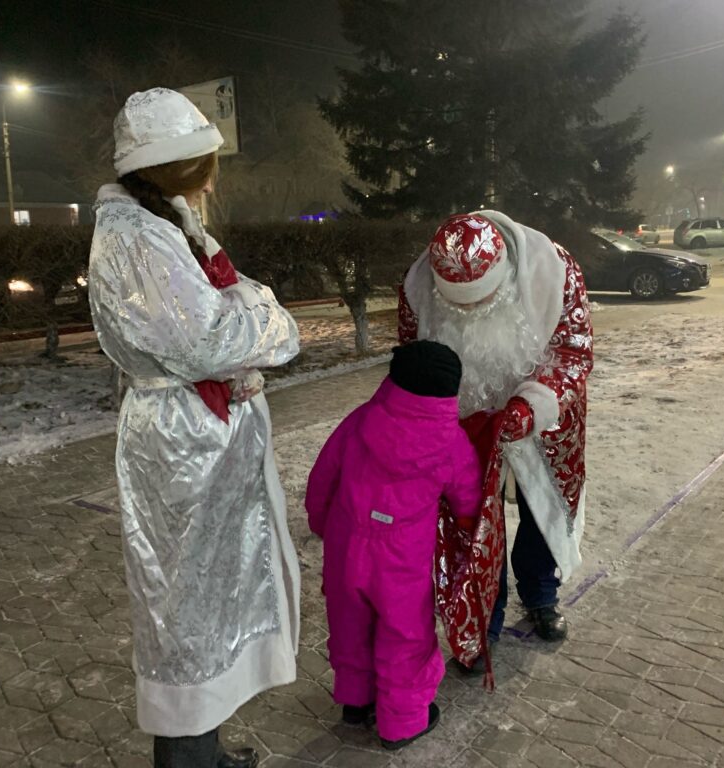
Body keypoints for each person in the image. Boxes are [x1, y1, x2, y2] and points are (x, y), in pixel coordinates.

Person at [88, 88, 301, 768]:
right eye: (202, 161)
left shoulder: (164, 221)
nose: (212, 174)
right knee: (185, 609)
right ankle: (186, 759)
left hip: (200, 435)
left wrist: (240, 312)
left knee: (210, 599)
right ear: (170, 165)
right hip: (184, 442)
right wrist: (267, 311)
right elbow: (206, 339)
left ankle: (200, 750)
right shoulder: (139, 239)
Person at [398, 211, 594, 666]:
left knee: (541, 507)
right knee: (471, 517)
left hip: (543, 417)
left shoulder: (554, 269)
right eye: (456, 305)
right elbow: (414, 353)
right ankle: (485, 613)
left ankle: (541, 593)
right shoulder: (418, 282)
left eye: (477, 302)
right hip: (461, 419)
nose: (465, 312)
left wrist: (533, 403)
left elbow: (573, 348)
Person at [305, 340, 483, 749]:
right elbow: (469, 500)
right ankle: (402, 723)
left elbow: (322, 479)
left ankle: (355, 700)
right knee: (405, 638)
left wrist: (322, 524)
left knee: (350, 625)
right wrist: (470, 531)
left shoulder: (360, 421)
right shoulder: (451, 442)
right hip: (401, 562)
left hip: (346, 548)